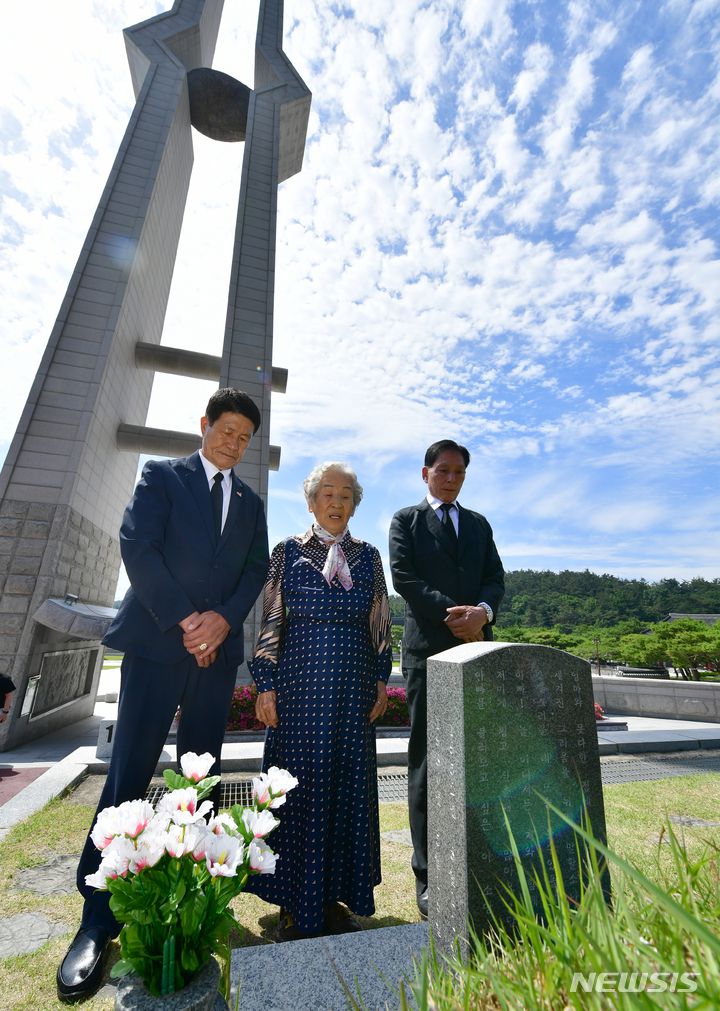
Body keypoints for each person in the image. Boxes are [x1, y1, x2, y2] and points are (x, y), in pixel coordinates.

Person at [57, 388, 269, 1002]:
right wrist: (187, 620)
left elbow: (254, 569)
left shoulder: (252, 503)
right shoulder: (162, 476)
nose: (234, 442)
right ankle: (98, 917)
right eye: (226, 430)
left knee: (197, 781)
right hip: (156, 644)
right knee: (129, 776)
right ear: (205, 426)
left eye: (244, 437)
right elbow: (137, 546)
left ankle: (192, 907)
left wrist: (223, 622)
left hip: (216, 654)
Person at [248, 461, 392, 940]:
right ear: (311, 501)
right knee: (297, 791)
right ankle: (292, 902)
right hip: (299, 693)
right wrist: (265, 682)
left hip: (352, 694)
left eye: (346, 495)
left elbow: (379, 625)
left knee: (344, 792)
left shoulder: (368, 557)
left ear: (355, 504)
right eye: (327, 494)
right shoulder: (287, 552)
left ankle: (331, 900)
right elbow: (270, 620)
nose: (336, 502)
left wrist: (379, 680)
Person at [388, 439, 504, 920]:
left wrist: (482, 612)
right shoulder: (407, 521)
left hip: (478, 650)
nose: (451, 479)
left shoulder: (478, 524)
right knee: (427, 765)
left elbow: (495, 577)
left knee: (478, 761)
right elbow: (403, 577)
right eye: (443, 471)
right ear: (425, 473)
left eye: (459, 472)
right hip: (426, 653)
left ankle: (479, 863)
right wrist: (452, 613)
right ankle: (428, 877)